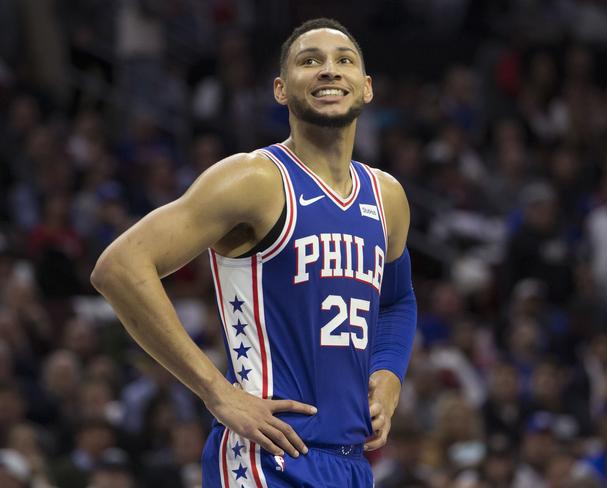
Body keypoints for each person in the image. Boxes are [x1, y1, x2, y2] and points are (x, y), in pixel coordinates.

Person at [91, 17, 417, 488]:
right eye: (311, 61)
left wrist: (389, 374)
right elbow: (119, 268)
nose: (329, 70)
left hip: (349, 464)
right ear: (281, 90)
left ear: (366, 88)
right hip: (265, 458)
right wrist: (216, 392)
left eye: (343, 61)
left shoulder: (387, 197)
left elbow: (398, 300)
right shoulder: (254, 180)